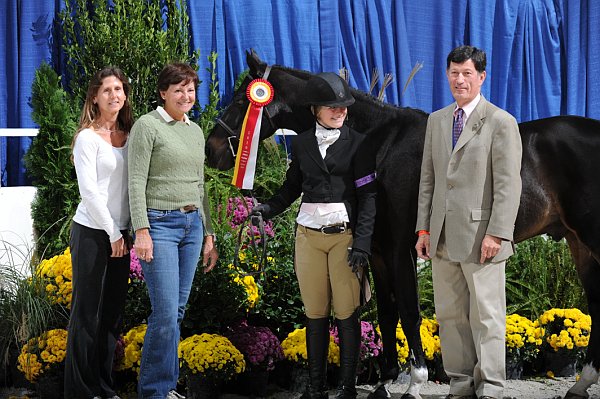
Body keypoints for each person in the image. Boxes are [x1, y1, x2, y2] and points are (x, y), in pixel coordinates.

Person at [251, 72, 377, 399]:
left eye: (344, 107)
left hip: (344, 238)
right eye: (332, 107)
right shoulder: (302, 142)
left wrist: (362, 243)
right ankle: (316, 388)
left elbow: (368, 198)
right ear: (315, 109)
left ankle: (348, 388)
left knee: (347, 312)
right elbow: (292, 188)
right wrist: (267, 209)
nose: (340, 112)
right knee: (315, 312)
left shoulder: (360, 144)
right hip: (307, 237)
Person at [415, 45, 522, 399]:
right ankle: (460, 383)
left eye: (467, 74)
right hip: (442, 236)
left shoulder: (500, 122)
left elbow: (508, 186)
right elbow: (429, 179)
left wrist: (498, 233)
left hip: (482, 237)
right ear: (447, 75)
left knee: (488, 318)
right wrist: (424, 228)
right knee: (450, 316)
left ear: (481, 77)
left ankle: (491, 387)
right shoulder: (437, 120)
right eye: (454, 73)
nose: (459, 80)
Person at [128, 62, 218, 399]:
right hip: (160, 225)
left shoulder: (194, 130)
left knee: (176, 311)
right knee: (165, 312)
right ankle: (153, 392)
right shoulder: (147, 126)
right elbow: (135, 181)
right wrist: (142, 230)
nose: (185, 95)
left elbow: (200, 184)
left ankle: (166, 388)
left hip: (192, 227)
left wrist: (209, 234)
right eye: (178, 89)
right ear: (163, 93)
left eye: (190, 89)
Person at [65, 67, 134, 399]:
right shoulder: (86, 139)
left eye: (118, 89)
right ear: (95, 97)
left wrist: (127, 232)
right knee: (87, 315)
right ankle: (80, 390)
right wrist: (113, 234)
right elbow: (90, 194)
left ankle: (105, 387)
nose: (114, 95)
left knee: (111, 317)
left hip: (121, 234)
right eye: (107, 90)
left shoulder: (130, 136)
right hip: (94, 234)